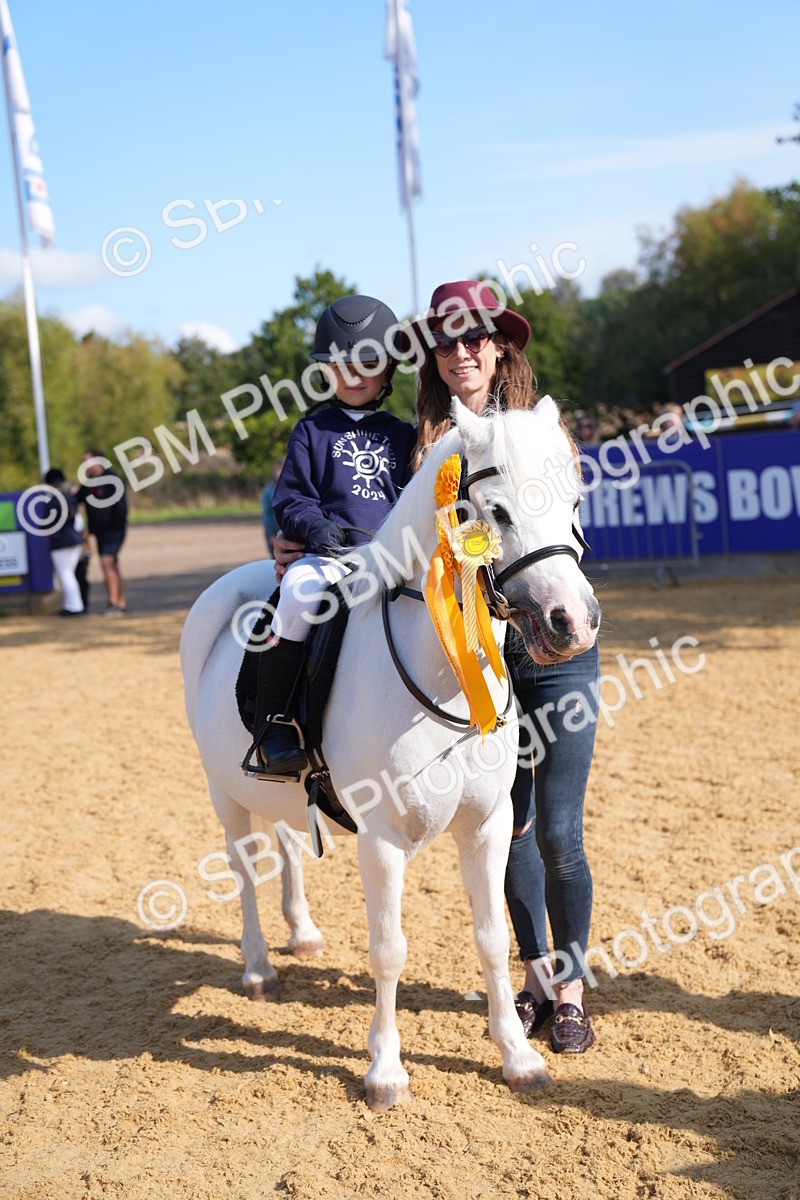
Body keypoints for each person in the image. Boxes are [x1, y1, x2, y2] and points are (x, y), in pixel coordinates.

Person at [275, 281, 600, 1054]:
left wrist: (482, 557)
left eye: (473, 338)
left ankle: (571, 990)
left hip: (534, 637)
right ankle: (293, 729)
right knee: (507, 823)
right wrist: (323, 538)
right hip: (464, 642)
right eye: (447, 342)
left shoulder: (533, 433)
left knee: (558, 831)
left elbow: (541, 531)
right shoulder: (422, 440)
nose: (461, 352)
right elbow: (420, 529)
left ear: (498, 346)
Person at [251, 295, 417, 776]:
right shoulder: (311, 430)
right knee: (298, 591)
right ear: (325, 369)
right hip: (328, 557)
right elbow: (290, 498)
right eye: (341, 364)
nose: (354, 374)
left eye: (368, 362)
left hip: (392, 558)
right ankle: (274, 725)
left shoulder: (404, 435)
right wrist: (316, 527)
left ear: (388, 369)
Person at [74, 450, 128, 615]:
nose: (85, 465)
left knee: (106, 562)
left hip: (114, 531)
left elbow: (121, 507)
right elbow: (76, 499)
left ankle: (113, 603)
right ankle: (120, 602)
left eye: (88, 461)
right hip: (99, 533)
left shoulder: (112, 480)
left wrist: (117, 527)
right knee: (112, 565)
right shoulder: (89, 484)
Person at [42, 468, 85, 616]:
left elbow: (48, 525)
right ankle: (72, 604)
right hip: (74, 539)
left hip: (61, 541)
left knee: (66, 575)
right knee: (69, 574)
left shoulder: (53, 501)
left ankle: (74, 606)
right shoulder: (70, 497)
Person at [261, 460, 283, 556]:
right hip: (274, 531)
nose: (278, 473)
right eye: (276, 470)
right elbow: (267, 514)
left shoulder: (290, 488)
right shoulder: (268, 490)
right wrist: (270, 534)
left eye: (280, 470)